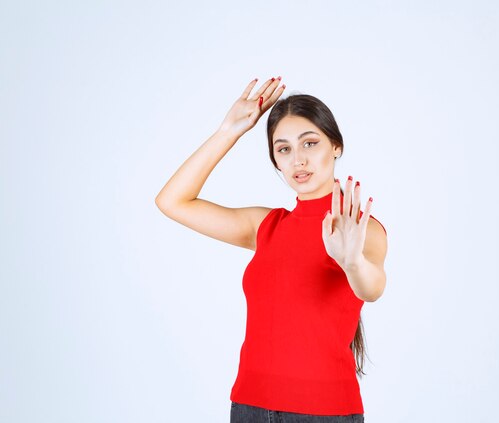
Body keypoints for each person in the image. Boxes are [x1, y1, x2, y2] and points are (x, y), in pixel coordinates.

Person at [155, 76, 388, 422]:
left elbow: (372, 288)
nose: (298, 160)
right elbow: (172, 201)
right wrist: (228, 132)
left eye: (310, 144)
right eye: (284, 149)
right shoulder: (265, 226)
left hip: (323, 413)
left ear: (335, 146)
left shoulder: (358, 227)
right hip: (249, 407)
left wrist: (351, 262)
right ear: (276, 161)